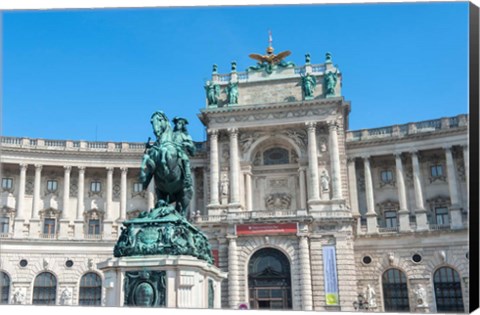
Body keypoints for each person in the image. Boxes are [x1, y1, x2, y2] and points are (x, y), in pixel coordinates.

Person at [172, 117, 195, 187]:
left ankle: (187, 176)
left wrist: (187, 144)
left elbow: (193, 148)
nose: (177, 125)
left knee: (185, 159)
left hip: (180, 152)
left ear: (182, 125)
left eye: (179, 123)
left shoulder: (185, 135)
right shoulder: (170, 134)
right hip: (171, 151)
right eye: (176, 123)